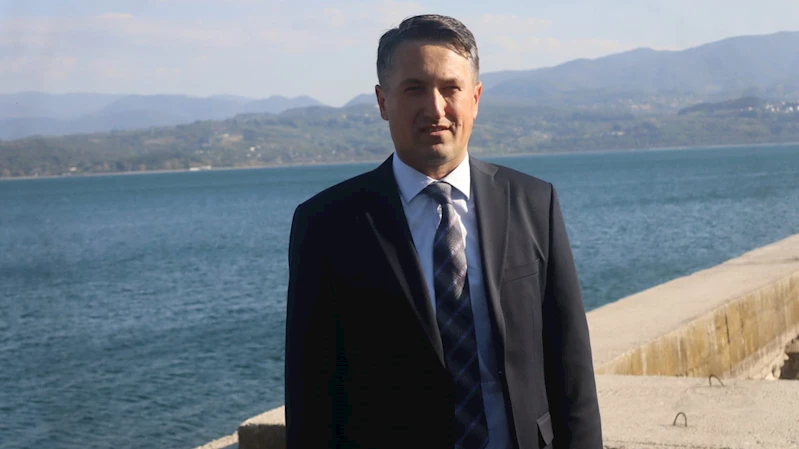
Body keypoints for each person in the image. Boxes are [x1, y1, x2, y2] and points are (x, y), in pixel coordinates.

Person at [285, 14, 602, 449]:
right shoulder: (328, 224)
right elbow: (311, 394)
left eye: (450, 88)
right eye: (414, 89)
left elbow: (571, 367)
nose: (435, 109)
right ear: (382, 102)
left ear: (475, 98)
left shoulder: (533, 202)